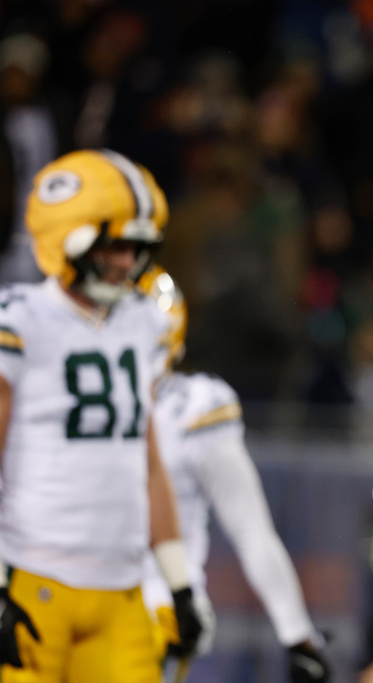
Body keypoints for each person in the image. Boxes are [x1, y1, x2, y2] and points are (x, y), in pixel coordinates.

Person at [0, 149, 203, 681]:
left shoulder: (141, 321)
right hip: (34, 582)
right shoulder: (22, 319)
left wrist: (179, 582)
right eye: (113, 244)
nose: (125, 261)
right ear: (65, 236)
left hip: (122, 589)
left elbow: (148, 464)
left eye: (136, 247)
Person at [136, 266, 331, 682]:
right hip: (65, 591)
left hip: (157, 606)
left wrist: (297, 634)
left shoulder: (192, 406)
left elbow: (251, 531)